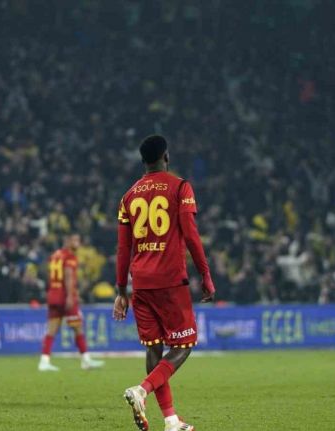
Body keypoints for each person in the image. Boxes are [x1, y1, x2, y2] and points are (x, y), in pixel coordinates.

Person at [114, 135, 216, 431]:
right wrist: (205, 274)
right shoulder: (180, 187)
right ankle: (142, 390)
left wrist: (121, 291)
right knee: (184, 345)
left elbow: (123, 249)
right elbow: (191, 235)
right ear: (166, 157)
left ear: (143, 161)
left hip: (140, 283)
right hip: (170, 280)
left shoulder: (128, 196)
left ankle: (171, 420)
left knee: (153, 348)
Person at [39, 233, 104, 371]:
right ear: (67, 240)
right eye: (75, 240)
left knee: (52, 329)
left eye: (78, 240)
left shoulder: (55, 255)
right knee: (78, 326)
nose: (77, 243)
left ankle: (44, 361)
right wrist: (70, 295)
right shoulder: (70, 257)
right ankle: (86, 360)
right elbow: (68, 275)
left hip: (53, 294)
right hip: (64, 296)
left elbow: (48, 274)